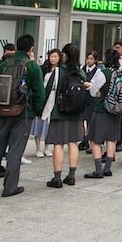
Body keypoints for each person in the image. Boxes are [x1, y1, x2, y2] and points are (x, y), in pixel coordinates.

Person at [0, 34, 45, 204]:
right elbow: (39, 93)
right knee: (15, 151)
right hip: (23, 113)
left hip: (3, 112)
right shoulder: (32, 67)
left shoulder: (3, 64)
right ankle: (10, 187)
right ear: (31, 48)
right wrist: (36, 111)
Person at [45, 45, 85, 188]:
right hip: (76, 113)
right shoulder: (80, 72)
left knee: (58, 143)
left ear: (65, 55)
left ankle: (57, 177)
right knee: (73, 143)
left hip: (59, 112)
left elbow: (49, 89)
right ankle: (72, 175)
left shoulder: (58, 71)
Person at [84, 49, 122, 179]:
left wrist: (99, 93)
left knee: (95, 139)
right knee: (111, 139)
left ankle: (98, 170)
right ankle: (108, 168)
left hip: (101, 108)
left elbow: (93, 91)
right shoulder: (120, 73)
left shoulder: (103, 73)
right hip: (115, 109)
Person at [32, 48, 61, 158]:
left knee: (49, 124)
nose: (53, 59)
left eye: (55, 56)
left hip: (53, 99)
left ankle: (47, 147)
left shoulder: (60, 70)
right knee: (39, 122)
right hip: (43, 98)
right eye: (51, 56)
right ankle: (38, 148)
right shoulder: (43, 69)